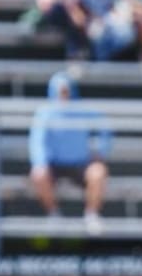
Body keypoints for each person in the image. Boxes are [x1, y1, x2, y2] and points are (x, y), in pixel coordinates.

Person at [28, 72, 111, 234]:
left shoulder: (83, 110)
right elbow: (37, 141)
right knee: (38, 173)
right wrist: (42, 162)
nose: (64, 95)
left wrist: (100, 151)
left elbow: (105, 129)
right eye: (60, 91)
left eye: (66, 91)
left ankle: (91, 215)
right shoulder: (45, 112)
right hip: (54, 165)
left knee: (98, 172)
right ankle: (54, 215)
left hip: (81, 164)